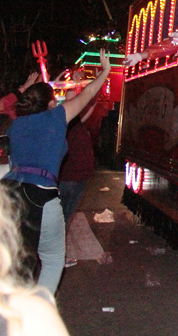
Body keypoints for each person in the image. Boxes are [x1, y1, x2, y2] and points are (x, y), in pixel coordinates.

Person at [1, 50, 110, 294]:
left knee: (16, 260)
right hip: (41, 194)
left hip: (10, 194)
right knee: (51, 261)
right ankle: (38, 314)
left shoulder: (16, 125)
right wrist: (105, 72)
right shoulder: (56, 118)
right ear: (52, 104)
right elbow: (89, 94)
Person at [0, 184, 70, 336]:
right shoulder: (29, 316)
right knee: (53, 258)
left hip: (19, 187)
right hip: (45, 191)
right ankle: (43, 293)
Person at [58, 91, 98, 267]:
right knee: (63, 219)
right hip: (71, 178)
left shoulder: (70, 122)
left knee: (64, 217)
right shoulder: (65, 122)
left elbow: (88, 109)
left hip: (75, 176)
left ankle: (56, 255)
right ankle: (57, 257)